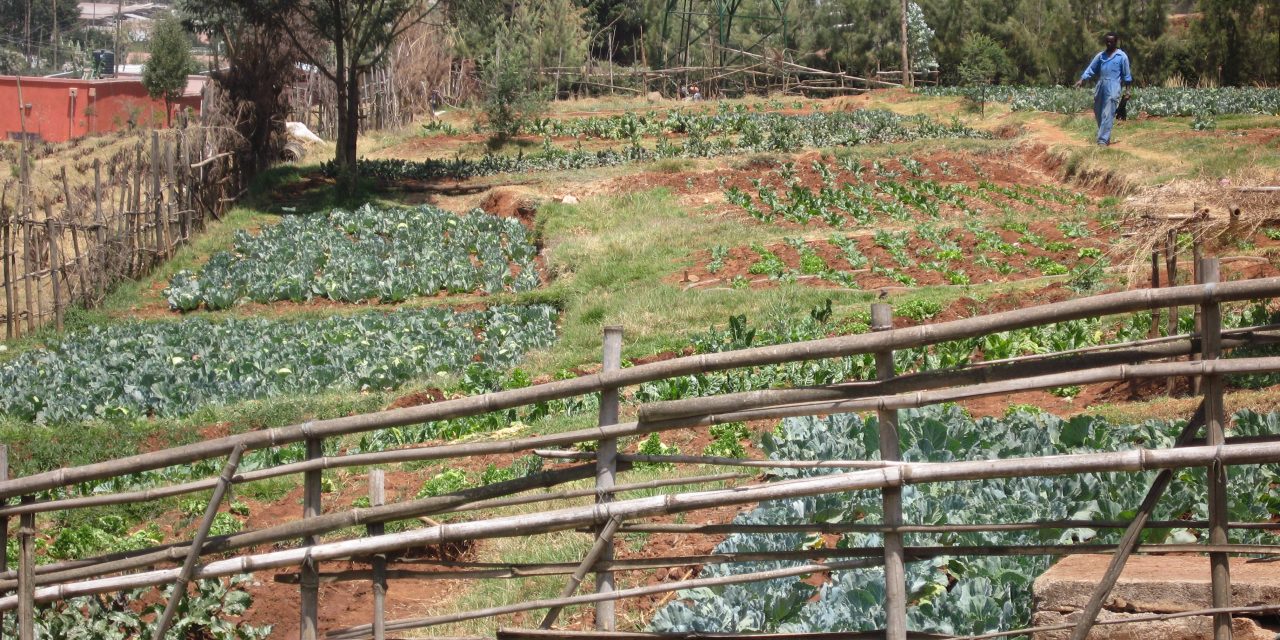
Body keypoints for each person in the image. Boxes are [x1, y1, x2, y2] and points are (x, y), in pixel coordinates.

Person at [1075, 33, 1132, 146]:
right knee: (1098, 112)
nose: (1109, 43)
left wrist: (1128, 90)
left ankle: (1102, 140)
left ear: (1116, 42)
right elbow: (1091, 68)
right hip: (1101, 85)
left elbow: (1127, 75)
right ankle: (1106, 135)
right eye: (1107, 41)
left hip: (1114, 86)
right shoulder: (1101, 56)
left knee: (1108, 113)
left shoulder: (1122, 56)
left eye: (1111, 42)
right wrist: (1082, 79)